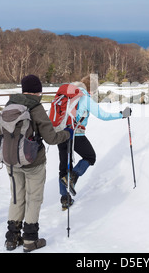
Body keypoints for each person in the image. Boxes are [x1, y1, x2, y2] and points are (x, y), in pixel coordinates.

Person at [4, 74, 70, 252]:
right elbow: (51, 138)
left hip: (11, 160)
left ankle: (11, 238)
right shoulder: (36, 107)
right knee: (34, 198)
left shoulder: (10, 104)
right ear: (37, 91)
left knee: (17, 197)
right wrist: (67, 133)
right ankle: (30, 240)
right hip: (33, 161)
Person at [58, 76, 132, 210]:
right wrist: (122, 114)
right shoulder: (85, 98)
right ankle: (72, 177)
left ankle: (65, 199)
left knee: (63, 166)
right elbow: (103, 115)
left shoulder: (67, 95)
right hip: (76, 134)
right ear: (92, 90)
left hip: (60, 133)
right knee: (90, 157)